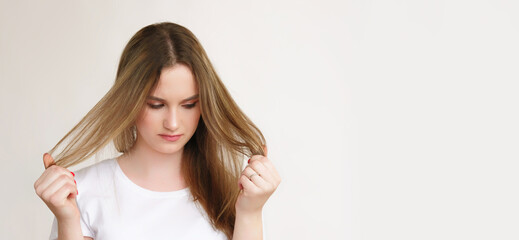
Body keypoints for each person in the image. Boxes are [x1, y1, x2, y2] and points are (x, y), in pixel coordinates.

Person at [33, 22, 281, 240]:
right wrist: (67, 219)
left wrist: (250, 211)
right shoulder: (84, 191)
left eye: (188, 105)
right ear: (128, 101)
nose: (173, 123)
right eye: (156, 105)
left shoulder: (230, 192)